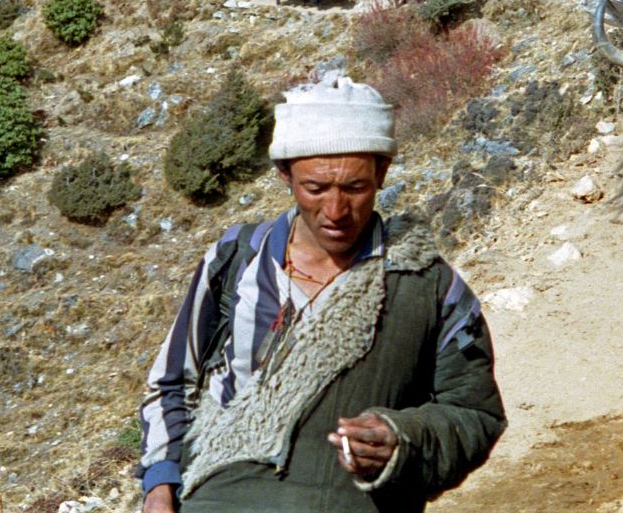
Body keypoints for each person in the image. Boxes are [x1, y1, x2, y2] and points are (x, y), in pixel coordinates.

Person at [136, 78, 506, 512]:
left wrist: (401, 438)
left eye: (355, 188)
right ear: (286, 176)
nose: (335, 211)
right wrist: (159, 485)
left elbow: (475, 415)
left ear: (382, 174)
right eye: (315, 188)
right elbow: (173, 381)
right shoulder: (236, 259)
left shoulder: (429, 285)